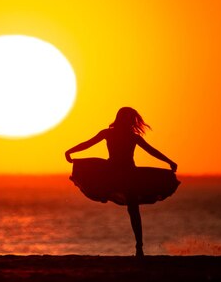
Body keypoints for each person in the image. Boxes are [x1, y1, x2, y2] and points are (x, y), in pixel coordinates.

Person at [65, 107, 178, 257]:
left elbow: (151, 150)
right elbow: (88, 143)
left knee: (132, 209)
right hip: (121, 173)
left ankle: (139, 247)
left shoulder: (130, 136)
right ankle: (139, 247)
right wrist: (70, 150)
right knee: (133, 209)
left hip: (122, 174)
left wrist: (169, 161)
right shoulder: (116, 134)